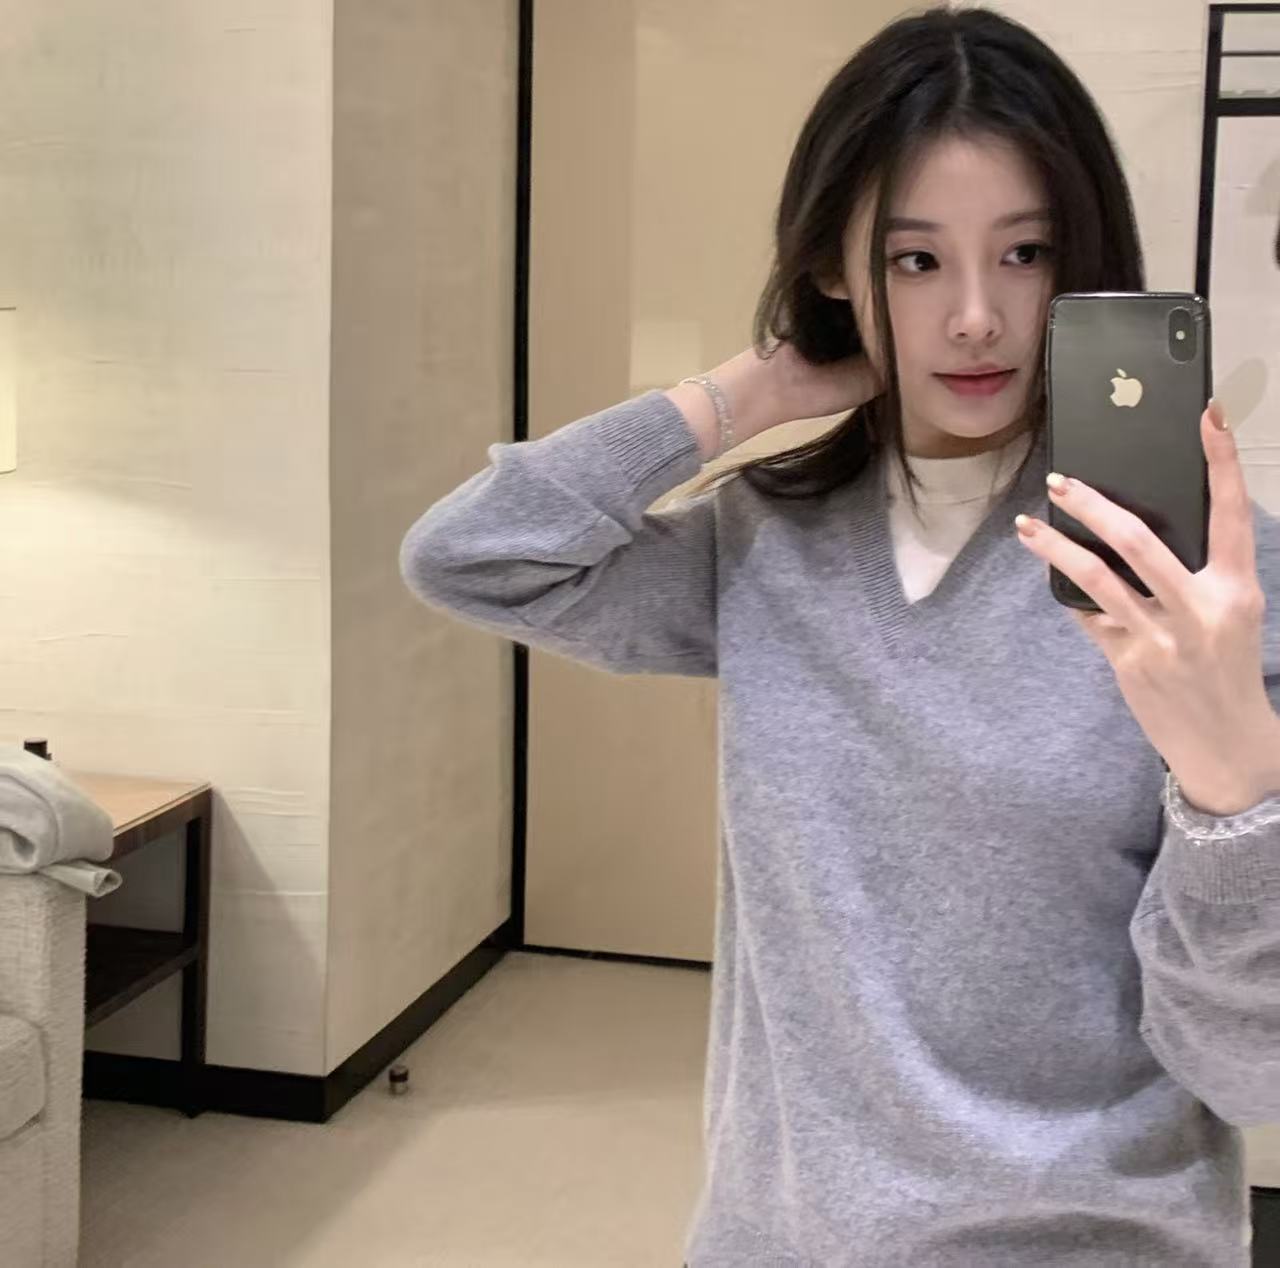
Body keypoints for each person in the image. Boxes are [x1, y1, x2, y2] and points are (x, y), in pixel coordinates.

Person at [400, 7, 1280, 1265]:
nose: (973, 316)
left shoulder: (1205, 586)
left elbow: (1250, 1068)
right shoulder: (767, 542)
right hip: (781, 1236)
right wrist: (749, 392)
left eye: (1024, 252)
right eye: (913, 260)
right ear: (830, 269)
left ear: (1080, 264)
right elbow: (474, 556)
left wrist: (1234, 782)